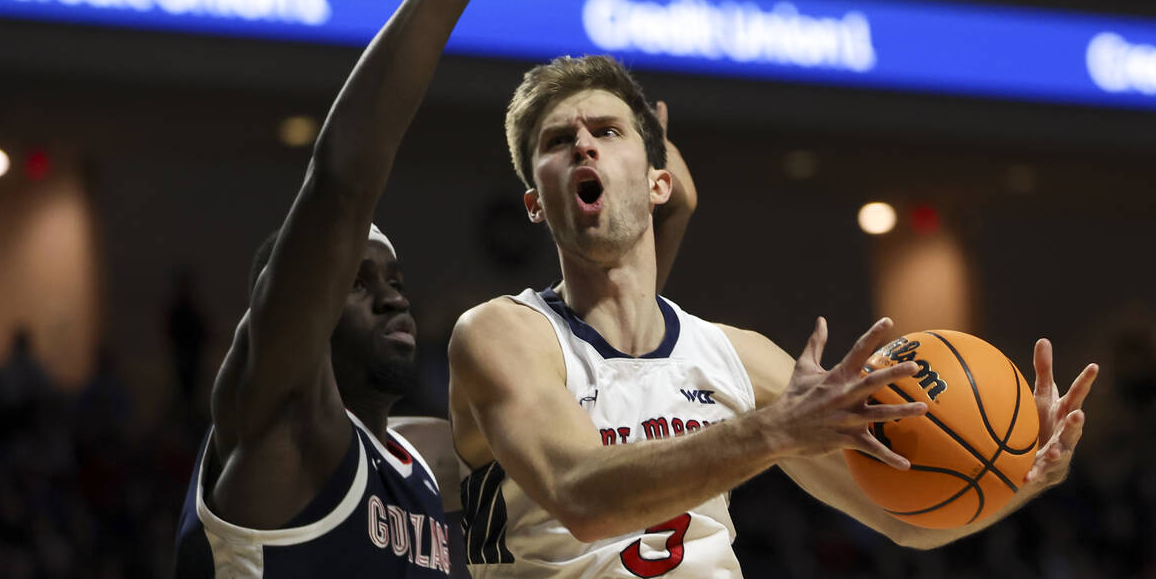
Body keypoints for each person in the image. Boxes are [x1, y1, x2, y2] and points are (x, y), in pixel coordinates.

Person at [448, 54, 1100, 576]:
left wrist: (1027, 476)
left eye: (607, 131)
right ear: (535, 203)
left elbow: (905, 520)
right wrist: (775, 431)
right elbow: (580, 496)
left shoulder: (737, 356)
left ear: (657, 183)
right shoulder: (504, 334)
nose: (584, 146)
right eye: (560, 140)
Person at [171, 0, 549, 576]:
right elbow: (342, 184)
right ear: (291, 305)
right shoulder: (274, 420)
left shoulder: (418, 465)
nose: (391, 295)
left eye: (395, 278)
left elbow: (605, 419)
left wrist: (655, 220)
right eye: (357, 279)